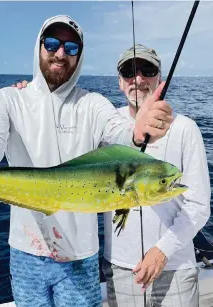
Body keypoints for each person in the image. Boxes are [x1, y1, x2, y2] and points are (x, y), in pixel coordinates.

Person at [0, 16, 173, 307]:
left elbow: (121, 133)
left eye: (71, 47)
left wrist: (139, 132)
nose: (60, 53)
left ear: (80, 55)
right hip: (25, 252)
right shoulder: (5, 99)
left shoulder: (93, 104)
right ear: (38, 46)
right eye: (51, 43)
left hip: (81, 257)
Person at [102, 44, 211, 307]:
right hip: (120, 268)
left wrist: (162, 251)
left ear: (159, 79)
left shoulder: (185, 128)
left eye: (147, 70)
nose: (137, 79)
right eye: (128, 71)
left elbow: (198, 205)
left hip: (175, 267)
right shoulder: (104, 124)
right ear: (119, 81)